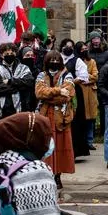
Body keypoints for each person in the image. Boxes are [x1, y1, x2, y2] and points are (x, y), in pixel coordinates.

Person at [34, 52, 76, 188]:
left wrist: (50, 94)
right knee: (46, 147)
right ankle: (46, 175)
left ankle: (57, 176)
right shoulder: (41, 75)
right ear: (46, 61)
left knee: (60, 146)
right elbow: (39, 93)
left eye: (56, 59)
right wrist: (58, 91)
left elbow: (67, 95)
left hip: (61, 116)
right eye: (51, 59)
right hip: (45, 116)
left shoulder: (67, 75)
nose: (54, 61)